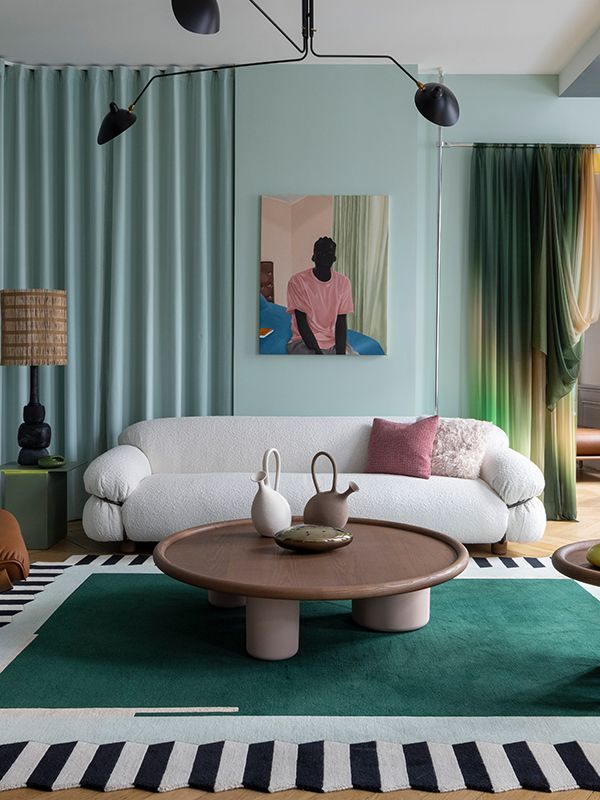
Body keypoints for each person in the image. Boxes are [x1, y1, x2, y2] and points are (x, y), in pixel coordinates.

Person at [286, 236, 356, 355]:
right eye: (321, 253)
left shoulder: (343, 282)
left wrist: (340, 355)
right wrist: (319, 354)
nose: (324, 256)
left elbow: (341, 321)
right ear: (313, 257)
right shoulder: (297, 282)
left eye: (328, 253)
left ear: (334, 258)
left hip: (332, 341)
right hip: (303, 342)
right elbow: (302, 323)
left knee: (351, 368)